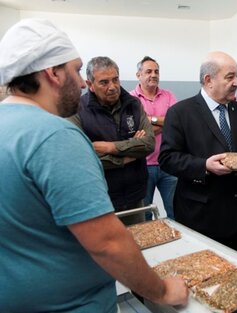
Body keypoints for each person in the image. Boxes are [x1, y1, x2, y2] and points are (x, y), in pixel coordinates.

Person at [0, 18, 188, 312]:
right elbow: (107, 243)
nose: (80, 81)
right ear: (53, 73)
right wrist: (163, 290)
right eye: (75, 70)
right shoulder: (55, 136)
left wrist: (111, 150)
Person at [159, 51, 237, 253]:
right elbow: (168, 158)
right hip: (199, 216)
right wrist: (204, 166)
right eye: (230, 77)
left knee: (233, 274)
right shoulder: (181, 113)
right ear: (208, 80)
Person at [68, 56, 155, 225]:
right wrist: (128, 156)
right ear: (90, 84)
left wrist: (110, 147)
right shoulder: (77, 110)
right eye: (104, 82)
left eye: (115, 79)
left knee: (140, 244)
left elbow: (149, 143)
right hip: (100, 200)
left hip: (134, 196)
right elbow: (82, 158)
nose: (113, 87)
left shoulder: (133, 104)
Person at [130, 56, 177, 220]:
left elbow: (175, 122)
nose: (153, 75)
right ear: (138, 75)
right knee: (145, 215)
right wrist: (164, 122)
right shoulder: (130, 99)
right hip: (142, 165)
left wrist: (149, 120)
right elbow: (134, 129)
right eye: (148, 71)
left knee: (176, 211)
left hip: (168, 164)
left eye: (156, 71)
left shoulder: (169, 96)